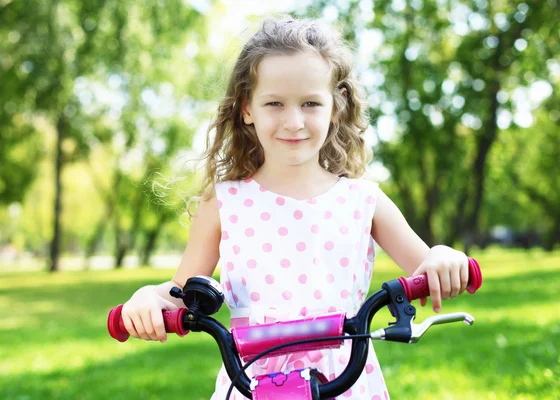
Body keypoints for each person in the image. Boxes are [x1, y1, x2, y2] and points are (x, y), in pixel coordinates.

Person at [121, 17, 470, 400]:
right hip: (253, 380)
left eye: (310, 103)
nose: (293, 121)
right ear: (247, 109)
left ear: (335, 107)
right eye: (274, 103)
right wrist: (148, 299)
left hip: (346, 378)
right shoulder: (225, 203)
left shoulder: (363, 200)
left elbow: (425, 267)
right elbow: (180, 293)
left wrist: (443, 257)